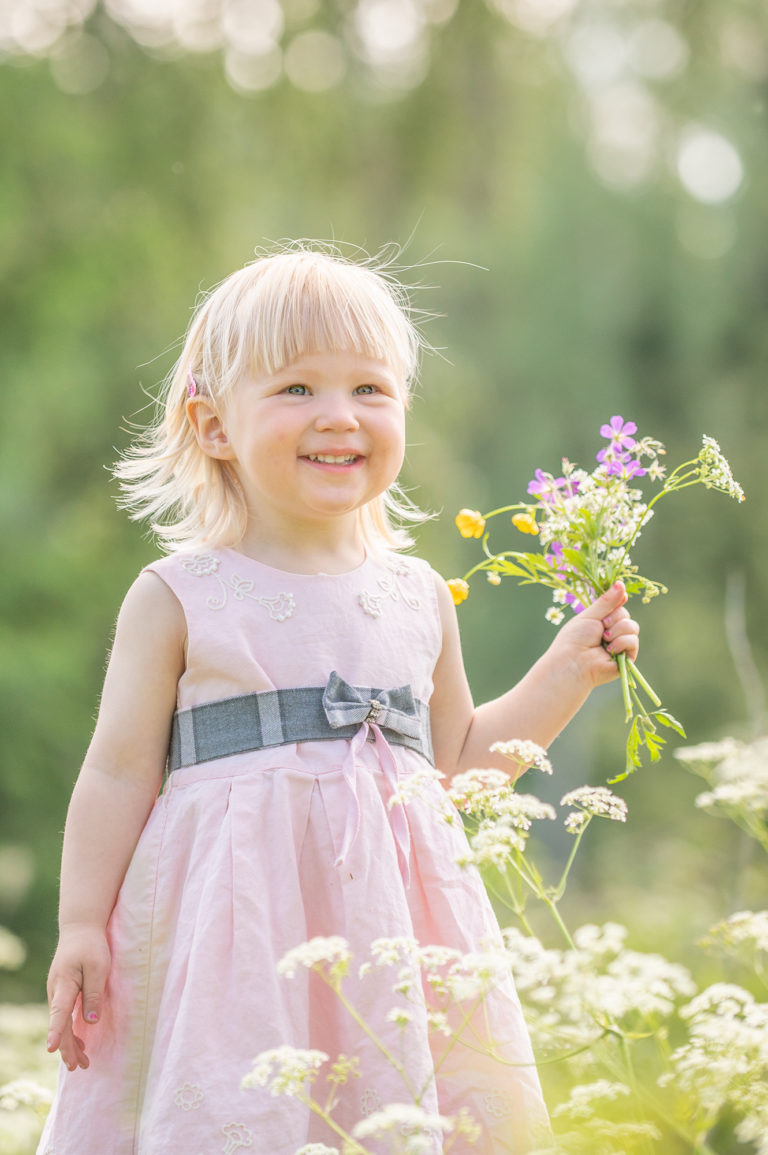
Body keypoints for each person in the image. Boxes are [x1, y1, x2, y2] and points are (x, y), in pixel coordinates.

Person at [40, 245, 639, 1155]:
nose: (339, 416)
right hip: (233, 943)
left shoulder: (419, 595)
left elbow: (460, 768)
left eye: (371, 388)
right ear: (212, 426)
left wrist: (566, 672)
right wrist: (82, 921)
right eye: (296, 390)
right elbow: (118, 772)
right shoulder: (181, 594)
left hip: (394, 939)